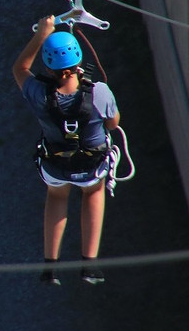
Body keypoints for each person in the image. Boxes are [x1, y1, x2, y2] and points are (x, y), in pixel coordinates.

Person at [13, 16, 120, 285]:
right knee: (93, 192)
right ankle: (90, 265)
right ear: (78, 62)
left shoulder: (37, 92)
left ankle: (50, 267)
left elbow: (20, 67)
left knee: (57, 197)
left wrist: (42, 34)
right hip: (91, 165)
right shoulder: (99, 92)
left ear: (49, 66)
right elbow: (113, 123)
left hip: (55, 165)